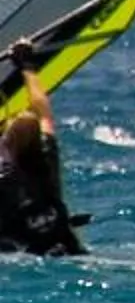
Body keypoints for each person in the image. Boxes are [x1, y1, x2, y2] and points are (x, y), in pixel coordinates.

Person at [0, 39, 88, 257]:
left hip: (21, 254)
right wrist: (27, 65)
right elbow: (43, 113)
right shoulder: (46, 162)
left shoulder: (4, 175)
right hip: (70, 251)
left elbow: (42, 115)